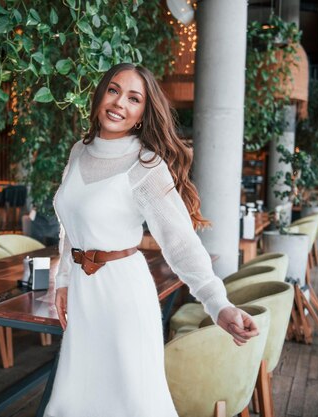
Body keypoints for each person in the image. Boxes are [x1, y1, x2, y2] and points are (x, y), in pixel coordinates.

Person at [44, 63, 259, 417]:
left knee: (132, 402)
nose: (119, 103)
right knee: (77, 400)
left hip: (123, 296)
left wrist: (218, 304)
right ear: (100, 96)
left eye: (134, 98)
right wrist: (64, 278)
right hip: (83, 295)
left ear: (143, 113)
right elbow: (71, 224)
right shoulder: (79, 151)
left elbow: (180, 243)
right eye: (113, 90)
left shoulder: (146, 165)